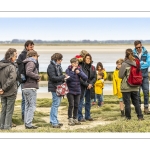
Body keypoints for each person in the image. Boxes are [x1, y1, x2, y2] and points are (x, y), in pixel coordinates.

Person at [119, 48, 144, 120]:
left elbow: (120, 76)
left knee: (127, 103)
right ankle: (140, 116)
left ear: (125, 55)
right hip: (135, 85)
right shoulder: (136, 62)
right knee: (136, 102)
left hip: (126, 86)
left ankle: (128, 117)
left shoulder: (124, 64)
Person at [17, 40, 38, 121]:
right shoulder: (22, 55)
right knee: (25, 100)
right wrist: (24, 78)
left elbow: (36, 67)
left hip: (32, 80)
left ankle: (28, 116)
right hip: (25, 80)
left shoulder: (34, 54)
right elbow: (22, 68)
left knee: (29, 101)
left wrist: (37, 76)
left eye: (33, 46)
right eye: (30, 46)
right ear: (26, 47)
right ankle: (24, 116)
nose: (32, 47)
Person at [47, 53, 67, 128]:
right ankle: (54, 122)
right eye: (60, 59)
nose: (61, 61)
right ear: (57, 59)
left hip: (58, 87)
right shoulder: (51, 66)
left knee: (56, 104)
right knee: (55, 104)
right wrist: (63, 76)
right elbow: (53, 78)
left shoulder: (58, 66)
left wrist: (63, 78)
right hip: (55, 87)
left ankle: (54, 120)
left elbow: (57, 77)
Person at [66, 58, 88, 126]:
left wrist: (80, 73)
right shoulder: (68, 70)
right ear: (71, 63)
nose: (76, 64)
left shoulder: (79, 69)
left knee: (76, 105)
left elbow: (85, 78)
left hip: (78, 90)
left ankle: (75, 118)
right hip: (70, 90)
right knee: (71, 105)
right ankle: (70, 119)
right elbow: (69, 79)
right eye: (75, 63)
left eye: (77, 63)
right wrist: (72, 71)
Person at [22, 50, 40, 129]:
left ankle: (27, 123)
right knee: (32, 106)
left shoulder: (26, 62)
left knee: (27, 106)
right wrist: (37, 76)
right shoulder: (31, 62)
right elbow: (28, 72)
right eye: (37, 56)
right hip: (30, 87)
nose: (37, 58)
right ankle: (28, 124)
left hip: (26, 87)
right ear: (33, 55)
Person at [0, 48, 18, 130]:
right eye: (15, 56)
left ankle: (1, 126)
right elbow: (12, 79)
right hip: (10, 91)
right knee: (9, 110)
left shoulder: (1, 65)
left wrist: (1, 89)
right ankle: (7, 127)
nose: (16, 58)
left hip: (2, 92)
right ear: (11, 57)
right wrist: (3, 88)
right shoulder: (11, 66)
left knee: (3, 109)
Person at [133, 40, 150, 114]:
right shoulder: (133, 54)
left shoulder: (146, 53)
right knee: (137, 93)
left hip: (145, 76)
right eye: (137, 48)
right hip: (137, 76)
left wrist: (139, 65)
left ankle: (146, 108)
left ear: (141, 45)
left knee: (146, 92)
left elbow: (148, 64)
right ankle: (138, 108)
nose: (138, 49)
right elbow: (133, 64)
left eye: (139, 47)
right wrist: (143, 62)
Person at [78, 53, 96, 122]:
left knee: (88, 102)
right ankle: (79, 116)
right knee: (81, 102)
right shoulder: (81, 66)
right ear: (84, 59)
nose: (88, 60)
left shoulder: (93, 67)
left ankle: (87, 116)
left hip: (90, 87)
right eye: (87, 58)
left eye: (89, 58)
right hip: (83, 86)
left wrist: (90, 84)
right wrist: (86, 84)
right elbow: (80, 78)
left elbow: (94, 77)